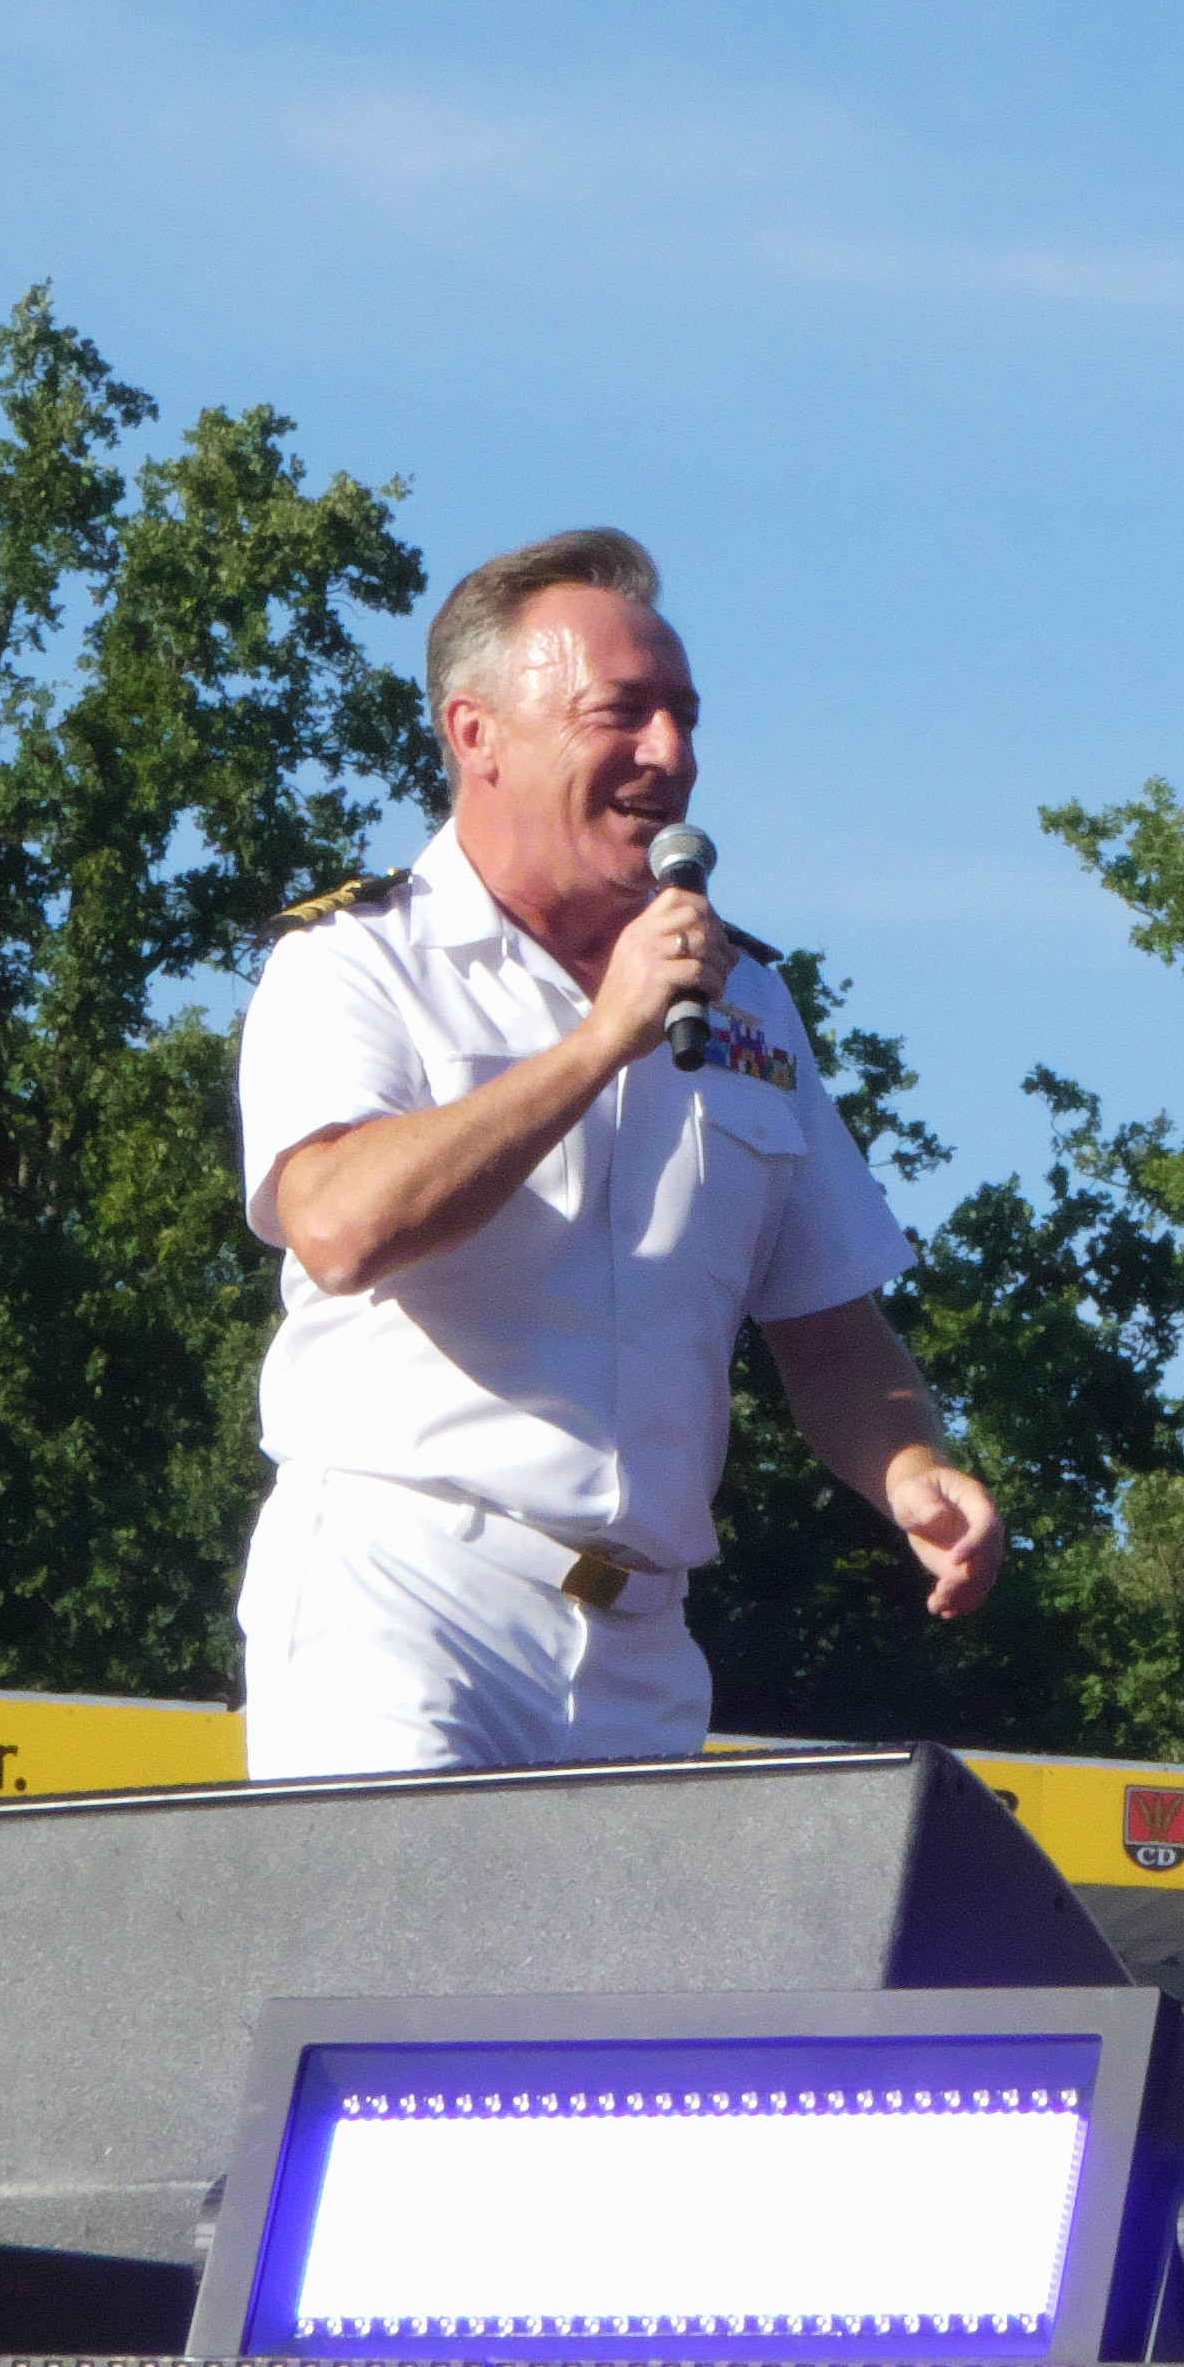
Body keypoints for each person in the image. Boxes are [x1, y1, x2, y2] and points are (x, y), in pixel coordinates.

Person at [233, 526, 1002, 1774]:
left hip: (642, 1647)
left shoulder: (749, 999)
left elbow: (827, 1320)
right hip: (405, 1599)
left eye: (684, 718)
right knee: (389, 1914)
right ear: (476, 733)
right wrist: (601, 1042)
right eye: (623, 714)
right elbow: (338, 1226)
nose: (671, 755)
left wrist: (911, 1465)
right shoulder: (356, 961)